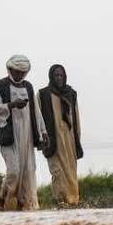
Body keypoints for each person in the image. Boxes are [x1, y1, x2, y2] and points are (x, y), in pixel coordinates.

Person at [0, 54, 48, 211]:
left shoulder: (28, 87)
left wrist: (43, 132)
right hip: (10, 136)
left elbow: (36, 111)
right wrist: (12, 105)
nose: (20, 75)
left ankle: (21, 207)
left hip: (27, 136)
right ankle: (2, 198)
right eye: (17, 71)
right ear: (10, 69)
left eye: (23, 72)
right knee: (14, 171)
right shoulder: (0, 85)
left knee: (28, 172)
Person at [37, 64, 83, 205]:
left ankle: (73, 203)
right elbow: (37, 118)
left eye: (61, 75)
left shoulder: (71, 94)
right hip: (53, 141)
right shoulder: (43, 94)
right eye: (56, 75)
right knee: (57, 172)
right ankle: (59, 202)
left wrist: (77, 140)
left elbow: (76, 119)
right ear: (51, 76)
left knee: (70, 174)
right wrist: (41, 138)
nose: (59, 78)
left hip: (69, 141)